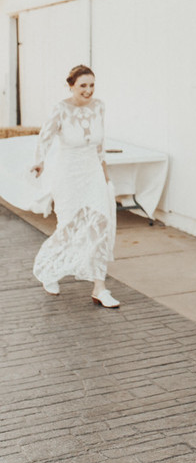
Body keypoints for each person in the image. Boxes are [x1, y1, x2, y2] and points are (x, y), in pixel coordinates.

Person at [31, 65, 119, 308]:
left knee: (101, 224)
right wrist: (39, 163)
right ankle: (49, 269)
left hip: (93, 173)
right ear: (71, 86)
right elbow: (44, 138)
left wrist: (106, 177)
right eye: (83, 85)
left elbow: (101, 146)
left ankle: (99, 288)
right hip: (68, 175)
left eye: (92, 85)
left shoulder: (99, 106)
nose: (88, 90)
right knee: (68, 228)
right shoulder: (61, 109)